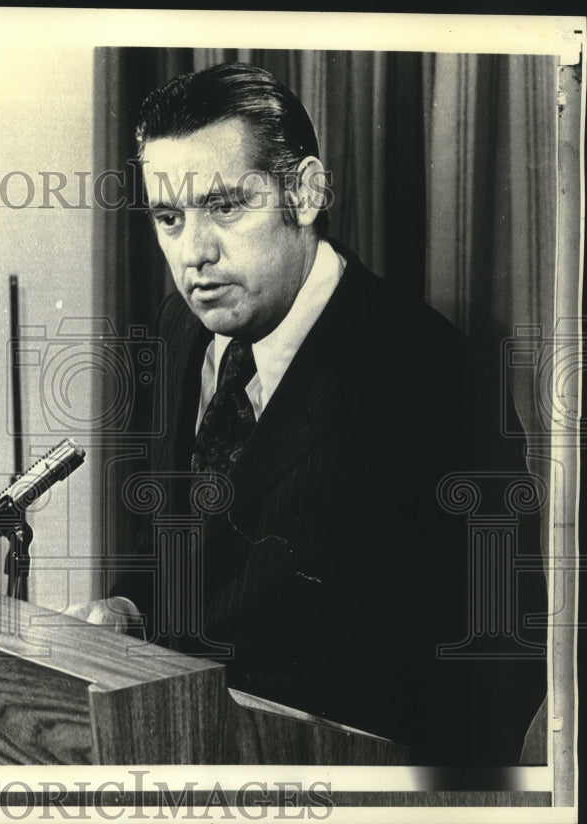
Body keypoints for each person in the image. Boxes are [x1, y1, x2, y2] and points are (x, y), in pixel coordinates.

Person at [91, 64, 546, 765]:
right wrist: (128, 608)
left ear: (303, 192)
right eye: (169, 218)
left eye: (224, 207)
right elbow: (183, 549)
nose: (194, 254)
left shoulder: (433, 375)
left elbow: (499, 654)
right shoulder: (178, 332)